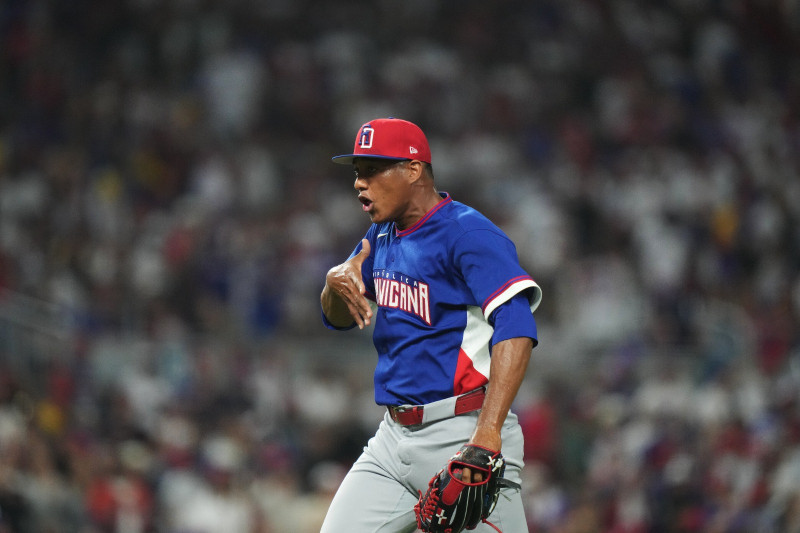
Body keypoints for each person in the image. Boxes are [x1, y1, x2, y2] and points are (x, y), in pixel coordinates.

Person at [319, 117, 542, 532]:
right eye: (357, 172)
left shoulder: (467, 233)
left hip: (462, 434)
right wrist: (334, 284)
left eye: (372, 169)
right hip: (391, 440)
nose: (359, 183)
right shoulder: (380, 235)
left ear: (413, 169)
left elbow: (516, 327)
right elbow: (337, 317)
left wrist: (487, 433)